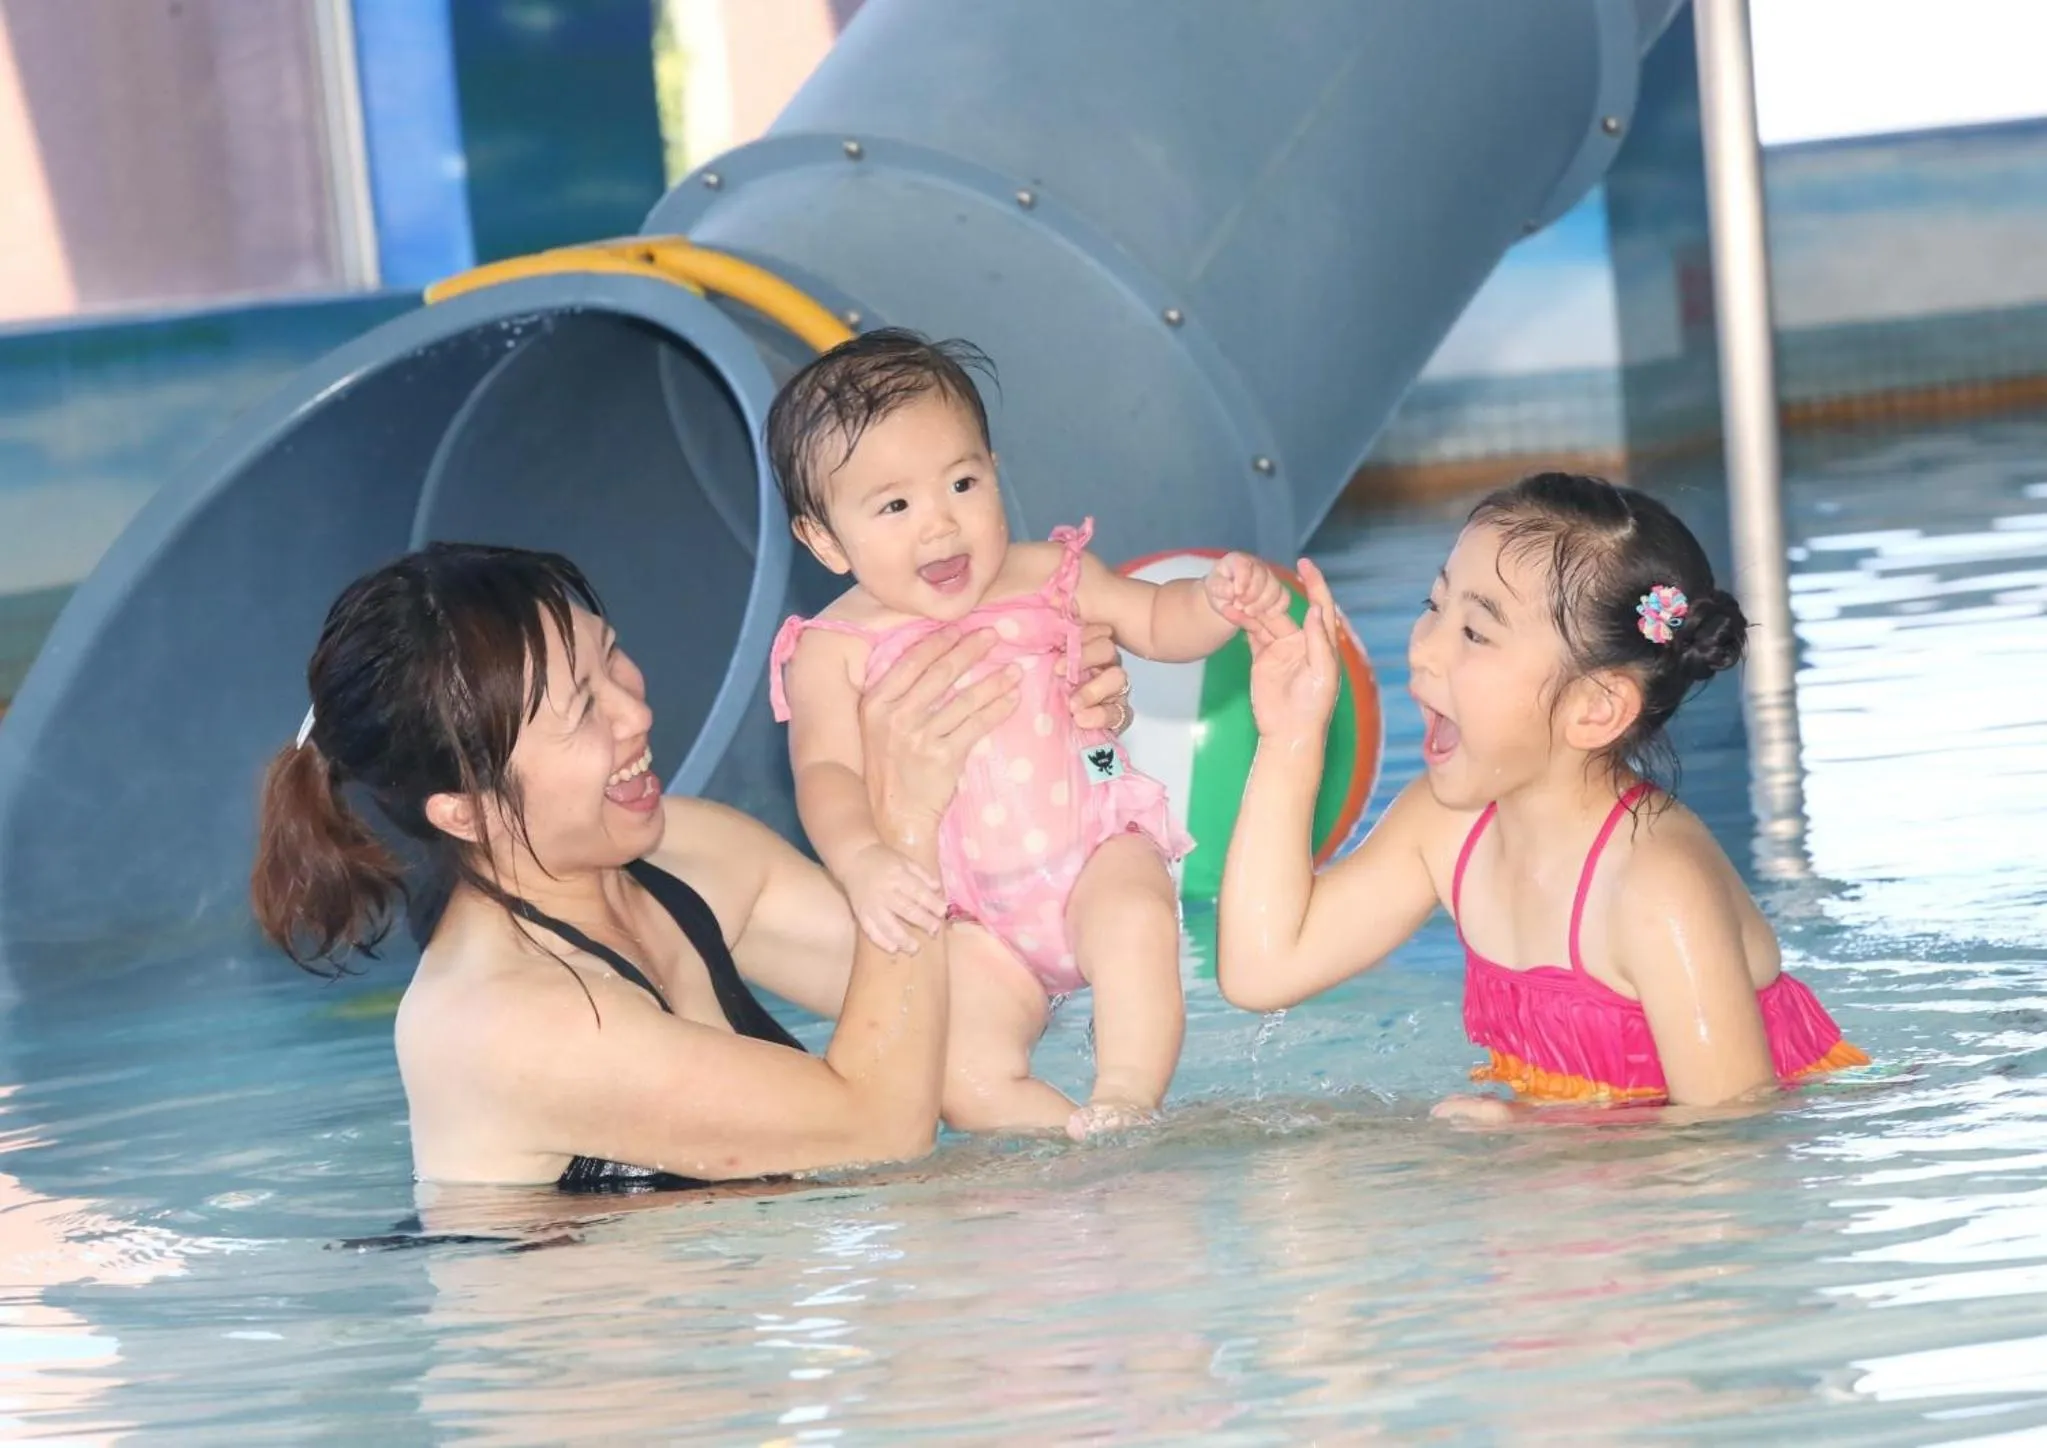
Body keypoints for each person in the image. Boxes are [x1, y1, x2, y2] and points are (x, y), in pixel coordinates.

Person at [249, 542, 1135, 1190]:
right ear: (466, 809)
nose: (634, 713)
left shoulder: (690, 857)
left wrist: (1063, 747)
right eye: (582, 709)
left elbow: (985, 991)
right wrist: (901, 822)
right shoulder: (502, 1023)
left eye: (611, 659)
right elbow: (877, 1126)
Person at [764, 328, 1292, 1139]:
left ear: (995, 469)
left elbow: (1155, 620)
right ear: (825, 539)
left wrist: (1213, 600)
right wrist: (861, 859)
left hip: (1093, 848)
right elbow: (825, 773)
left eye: (962, 483)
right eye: (895, 506)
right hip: (972, 919)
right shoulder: (833, 650)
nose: (940, 525)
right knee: (959, 1071)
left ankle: (1126, 1099)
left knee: (1135, 926)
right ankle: (1072, 1140)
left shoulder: (1047, 575)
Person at [1217, 472, 1866, 1116]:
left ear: (1595, 707)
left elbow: (1732, 1132)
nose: (1423, 651)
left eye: (1475, 633)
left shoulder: (1657, 888)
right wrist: (1290, 736)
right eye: (1433, 607)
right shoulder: (1446, 826)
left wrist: (1536, 1133)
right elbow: (1262, 971)